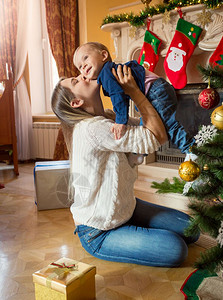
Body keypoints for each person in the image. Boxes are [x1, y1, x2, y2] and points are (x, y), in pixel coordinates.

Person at [51, 65, 199, 267]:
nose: (82, 75)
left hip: (126, 209)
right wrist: (134, 91)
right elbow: (156, 136)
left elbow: (153, 125)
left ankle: (134, 229)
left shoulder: (110, 117)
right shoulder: (92, 129)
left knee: (192, 229)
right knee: (175, 249)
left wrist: (137, 85)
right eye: (76, 81)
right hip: (99, 231)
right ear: (76, 102)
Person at [73, 42, 195, 157]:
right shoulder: (108, 72)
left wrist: (121, 121)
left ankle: (190, 149)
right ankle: (139, 155)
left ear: (104, 55)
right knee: (147, 127)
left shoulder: (106, 74)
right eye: (79, 67)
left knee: (169, 124)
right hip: (156, 90)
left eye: (86, 58)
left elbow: (118, 97)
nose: (83, 66)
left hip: (154, 92)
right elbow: (122, 97)